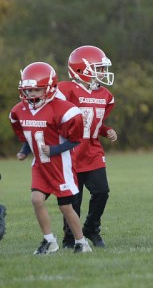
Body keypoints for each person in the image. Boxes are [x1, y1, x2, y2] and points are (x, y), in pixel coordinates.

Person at [10, 62, 92, 254]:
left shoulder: (64, 110)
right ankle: (49, 240)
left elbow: (75, 140)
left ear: (50, 88)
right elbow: (31, 134)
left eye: (36, 90)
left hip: (60, 166)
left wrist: (54, 150)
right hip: (40, 165)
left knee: (65, 207)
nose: (31, 95)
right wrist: (25, 150)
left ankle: (82, 243)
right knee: (36, 199)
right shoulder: (19, 110)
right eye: (28, 90)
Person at [55, 45, 116, 248]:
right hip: (70, 152)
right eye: (98, 68)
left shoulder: (105, 95)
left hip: (92, 151)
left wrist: (106, 130)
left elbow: (91, 122)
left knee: (102, 191)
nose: (102, 73)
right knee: (74, 200)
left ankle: (91, 228)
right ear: (81, 70)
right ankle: (70, 237)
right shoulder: (66, 90)